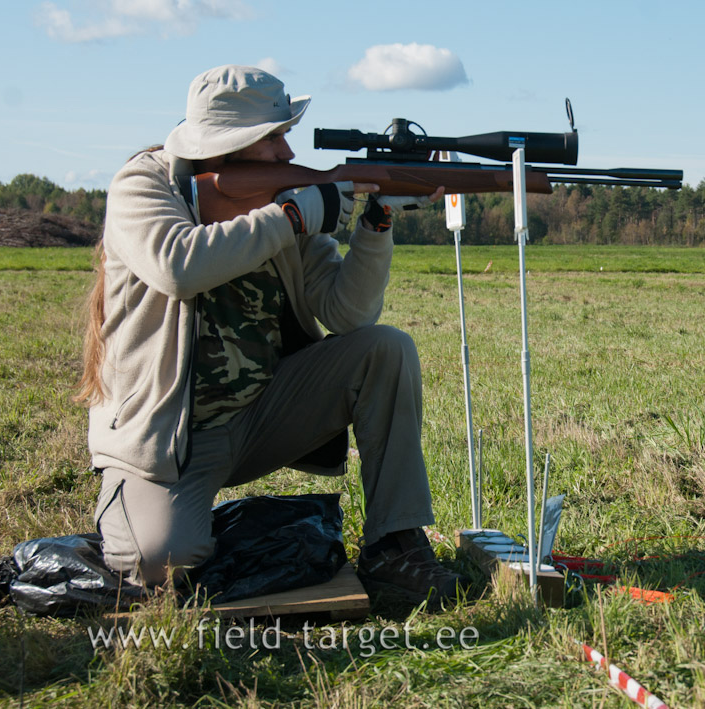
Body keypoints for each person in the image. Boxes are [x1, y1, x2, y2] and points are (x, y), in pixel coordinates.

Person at [74, 64, 464, 610]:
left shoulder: (287, 198)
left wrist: (375, 225)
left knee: (385, 349)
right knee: (159, 564)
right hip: (167, 440)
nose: (286, 152)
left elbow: (348, 314)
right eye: (272, 138)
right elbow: (177, 266)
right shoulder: (144, 185)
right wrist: (287, 217)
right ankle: (143, 512)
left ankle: (394, 545)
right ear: (228, 146)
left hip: (260, 415)